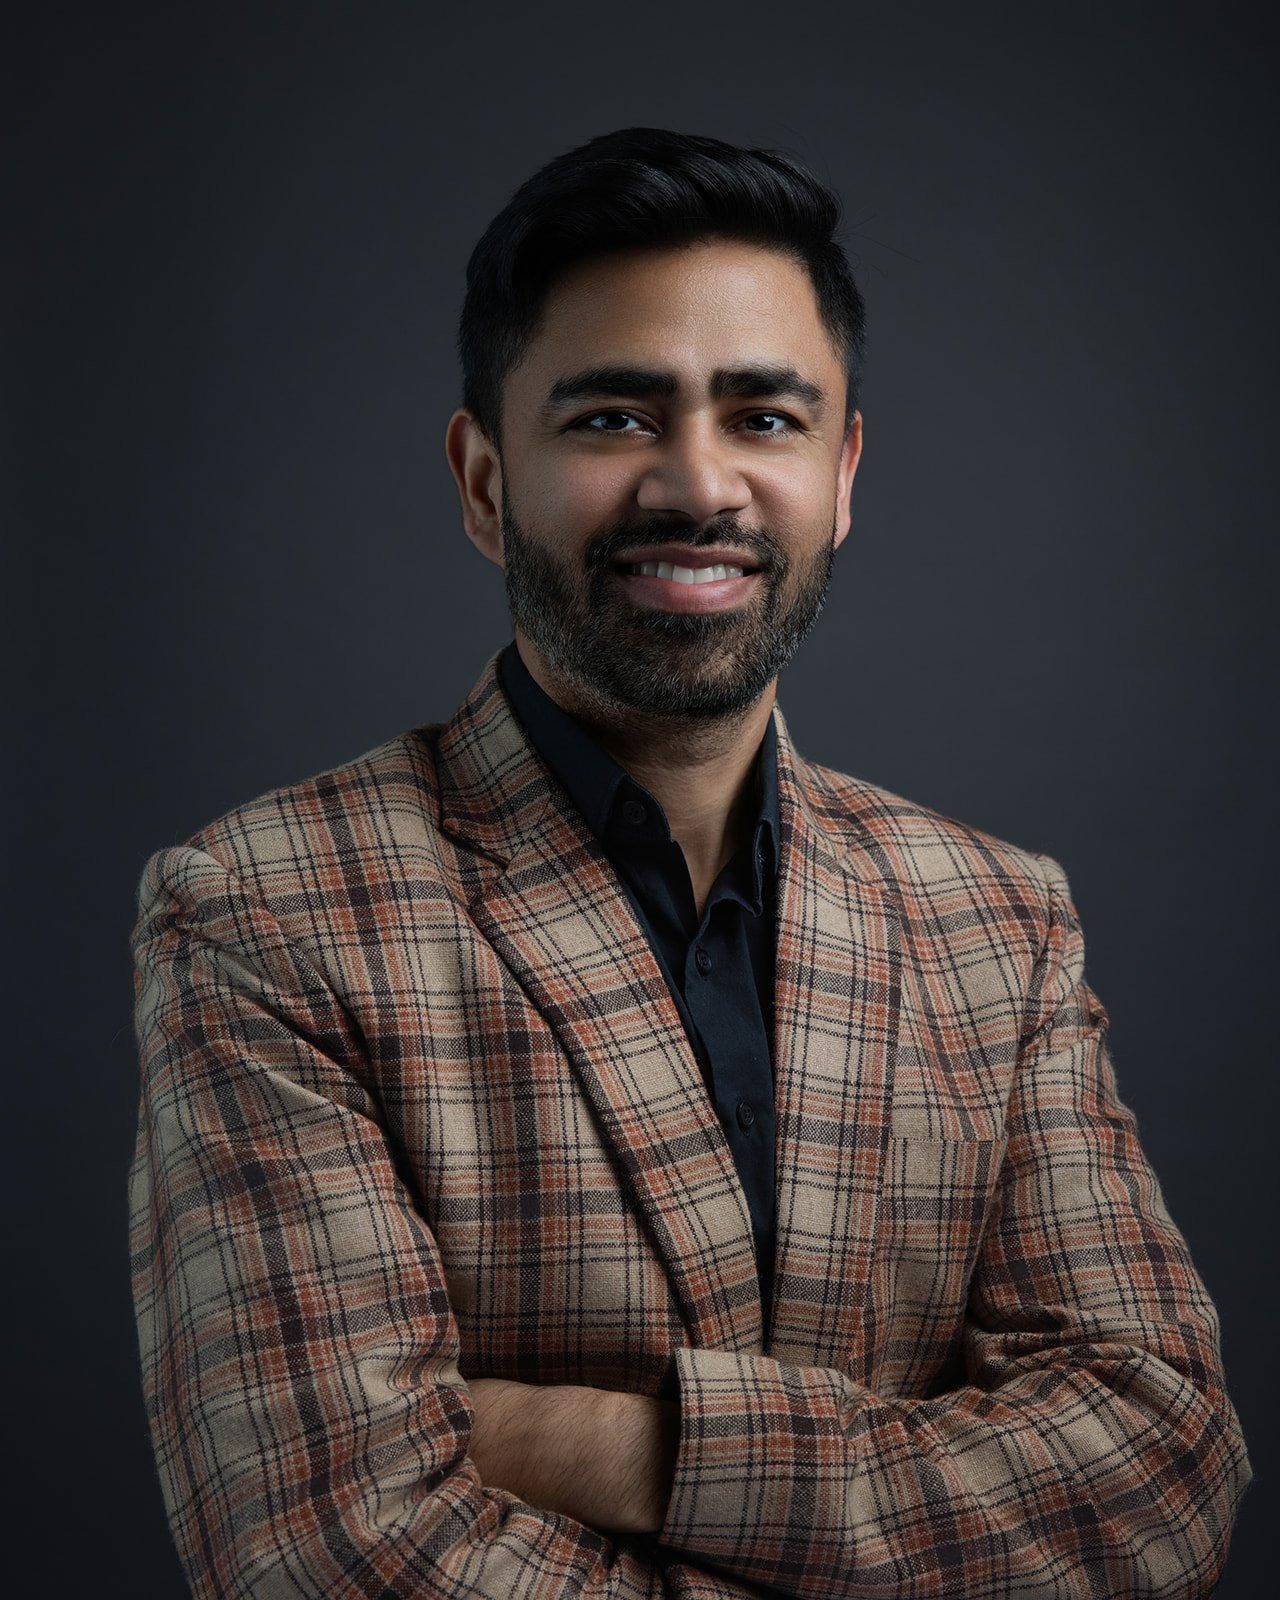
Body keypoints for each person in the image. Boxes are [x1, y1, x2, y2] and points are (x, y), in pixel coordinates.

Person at [128, 126, 1252, 1599]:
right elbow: (331, 1553)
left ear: (843, 475)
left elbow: (1162, 1470)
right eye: (611, 417)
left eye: (766, 418)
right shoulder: (266, 911)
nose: (697, 484)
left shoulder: (997, 916)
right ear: (483, 478)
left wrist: (632, 1448)